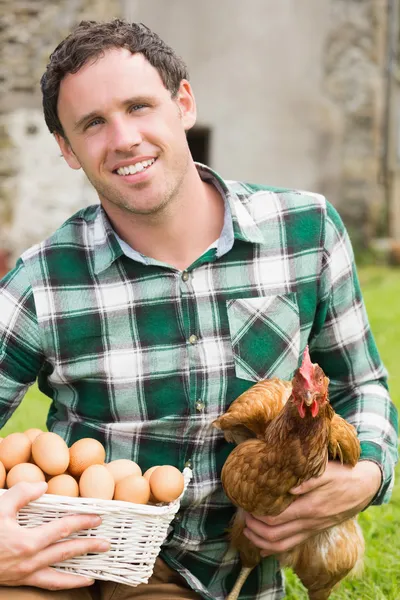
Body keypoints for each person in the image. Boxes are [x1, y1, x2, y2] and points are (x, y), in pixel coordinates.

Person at [0, 18, 397, 600]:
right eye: (92, 124)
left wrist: (365, 474)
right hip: (79, 548)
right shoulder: (44, 282)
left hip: (206, 570)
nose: (124, 139)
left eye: (139, 106)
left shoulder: (305, 231)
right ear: (66, 148)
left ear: (183, 102)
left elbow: (363, 386)